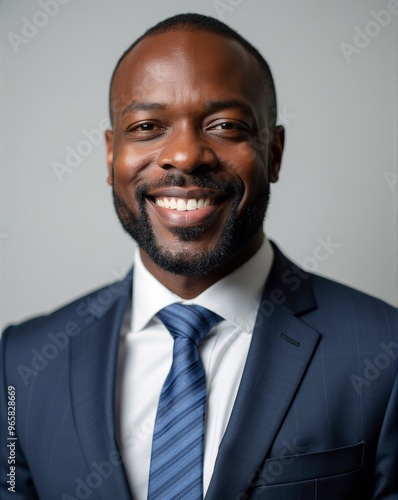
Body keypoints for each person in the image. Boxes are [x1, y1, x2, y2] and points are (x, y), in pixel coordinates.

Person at [1, 12, 397, 500]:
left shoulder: (386, 353)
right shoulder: (21, 365)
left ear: (273, 153)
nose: (186, 156)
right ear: (110, 155)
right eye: (147, 125)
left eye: (225, 125)